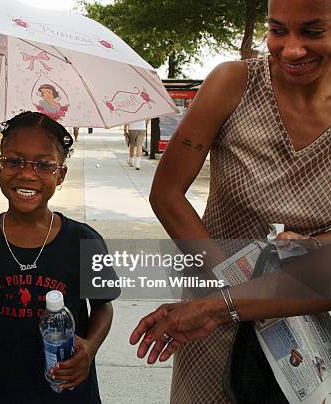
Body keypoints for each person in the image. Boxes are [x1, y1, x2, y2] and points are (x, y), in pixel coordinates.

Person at [133, 0, 331, 402]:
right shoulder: (234, 82)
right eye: (278, 30)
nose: (291, 50)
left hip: (313, 317)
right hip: (212, 304)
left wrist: (313, 246)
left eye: (313, 32)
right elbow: (167, 193)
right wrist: (232, 288)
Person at [0, 111, 117, 403]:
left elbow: (103, 306)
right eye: (13, 161)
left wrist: (89, 348)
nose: (26, 173)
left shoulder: (84, 240)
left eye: (43, 165)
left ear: (60, 174)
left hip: (67, 391)